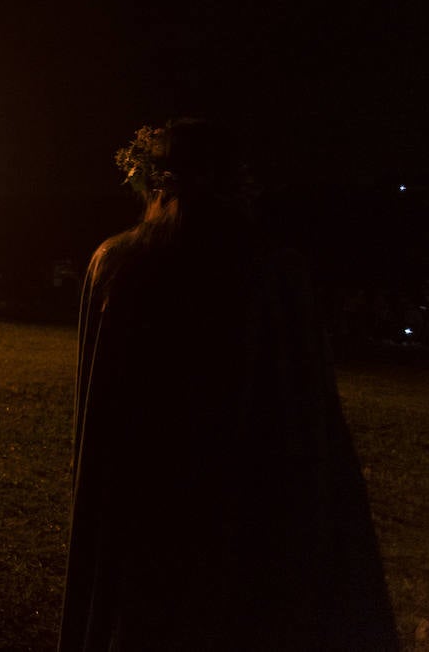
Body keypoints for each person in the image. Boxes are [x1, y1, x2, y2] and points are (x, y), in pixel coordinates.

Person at [58, 119, 398, 651]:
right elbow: (306, 422)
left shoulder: (122, 264)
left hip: (149, 505)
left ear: (154, 182)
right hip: (250, 509)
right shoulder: (270, 268)